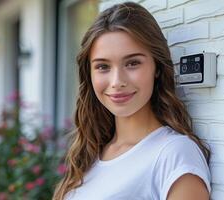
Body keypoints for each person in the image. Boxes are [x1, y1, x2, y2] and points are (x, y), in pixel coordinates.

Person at [53, 2, 211, 200]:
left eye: (132, 63)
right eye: (103, 66)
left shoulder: (175, 154)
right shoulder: (91, 152)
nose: (117, 82)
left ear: (158, 68)